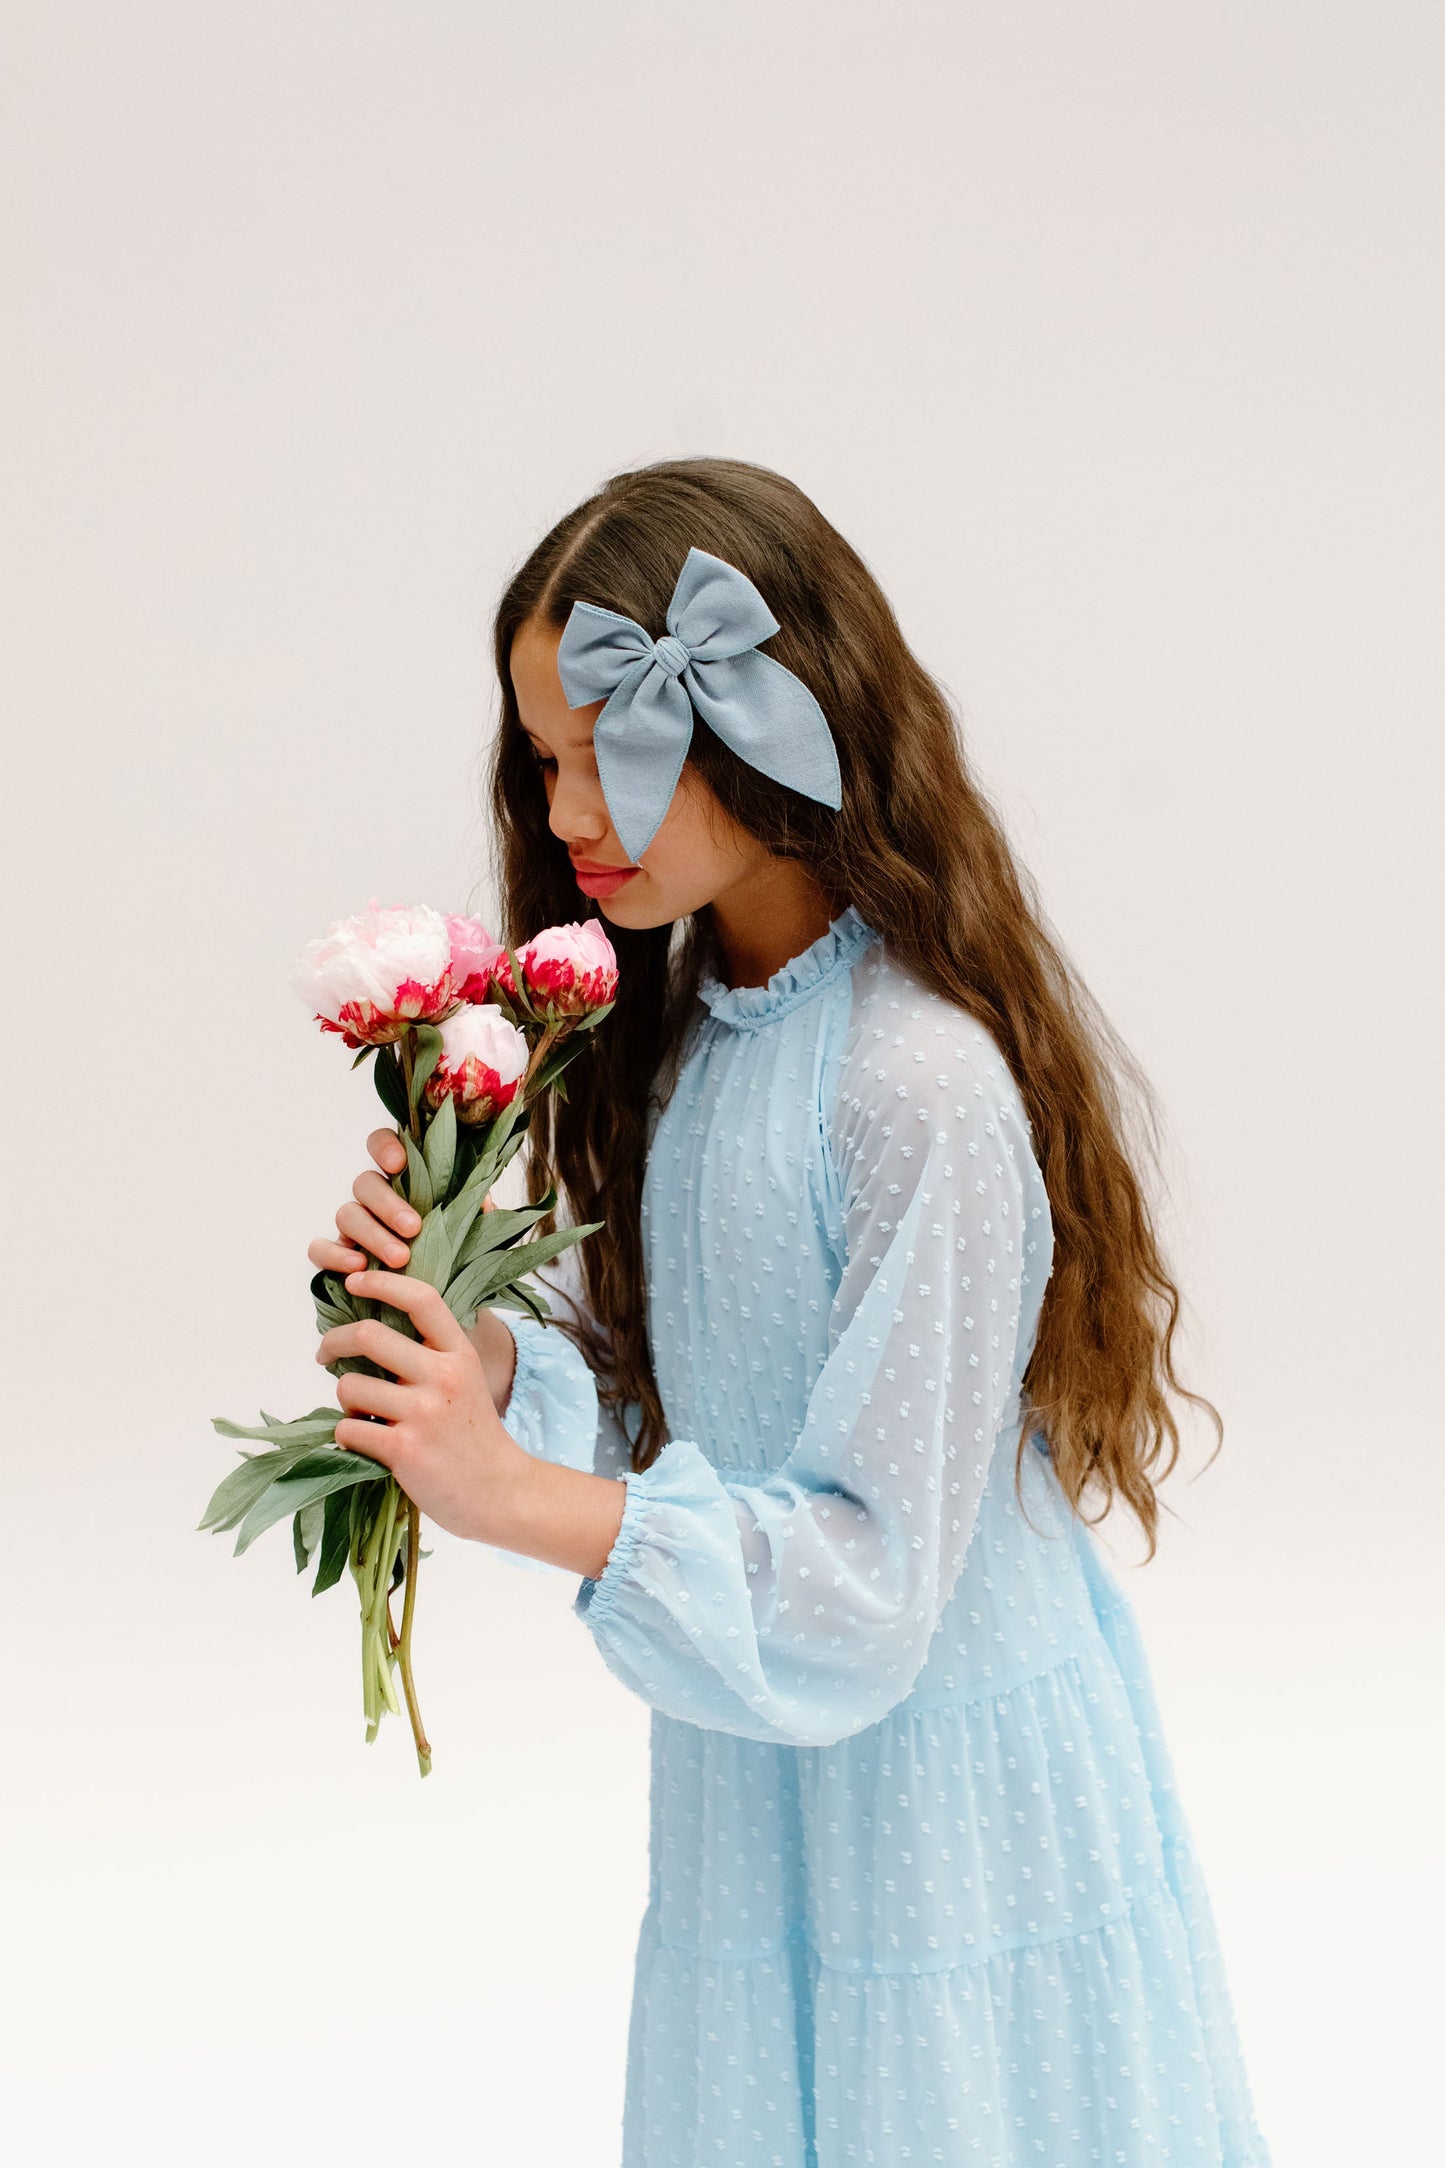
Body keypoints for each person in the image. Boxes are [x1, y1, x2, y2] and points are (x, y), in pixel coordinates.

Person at [308, 457, 1273, 2166]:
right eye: (541, 760)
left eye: (609, 749)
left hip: (946, 1807)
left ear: (762, 726)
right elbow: (679, 1406)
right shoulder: (690, 1041)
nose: (565, 812)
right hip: (761, 1770)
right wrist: (476, 1365)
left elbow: (869, 1576)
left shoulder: (915, 1082)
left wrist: (516, 1498)